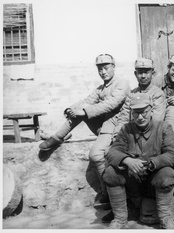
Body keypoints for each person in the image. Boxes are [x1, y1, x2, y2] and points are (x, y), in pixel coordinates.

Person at [39, 54, 131, 206]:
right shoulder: (101, 88)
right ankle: (57, 137)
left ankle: (107, 193)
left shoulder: (122, 84)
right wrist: (72, 108)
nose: (103, 72)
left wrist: (85, 111)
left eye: (106, 68)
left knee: (95, 155)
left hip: (116, 127)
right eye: (100, 69)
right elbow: (87, 101)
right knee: (80, 109)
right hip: (104, 125)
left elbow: (110, 104)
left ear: (114, 67)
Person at [101, 57, 167, 223]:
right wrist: (118, 135)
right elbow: (124, 117)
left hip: (149, 141)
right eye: (140, 72)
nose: (143, 75)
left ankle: (141, 206)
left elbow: (154, 120)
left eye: (147, 72)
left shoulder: (158, 94)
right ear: (135, 74)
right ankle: (118, 209)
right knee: (112, 165)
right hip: (130, 137)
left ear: (153, 73)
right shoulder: (131, 95)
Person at [103, 93, 174, 229]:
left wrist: (153, 163)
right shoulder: (126, 129)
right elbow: (112, 152)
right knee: (110, 173)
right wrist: (127, 161)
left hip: (155, 182)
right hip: (134, 182)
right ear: (132, 114)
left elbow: (173, 154)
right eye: (136, 113)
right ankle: (120, 220)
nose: (140, 117)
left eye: (144, 112)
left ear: (151, 110)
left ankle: (166, 219)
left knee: (168, 173)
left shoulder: (164, 127)